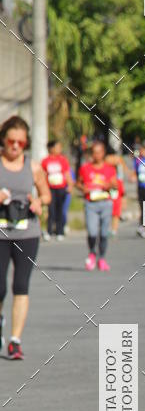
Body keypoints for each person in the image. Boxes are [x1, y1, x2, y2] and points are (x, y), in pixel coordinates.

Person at [0, 115, 50, 359]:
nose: (16, 146)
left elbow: (46, 194)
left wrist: (39, 202)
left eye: (21, 142)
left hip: (27, 233)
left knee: (21, 285)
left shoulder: (33, 166)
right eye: (12, 141)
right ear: (3, 139)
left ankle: (15, 341)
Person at [76, 140, 118, 272]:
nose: (97, 155)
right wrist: (83, 189)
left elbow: (115, 184)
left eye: (99, 152)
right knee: (92, 232)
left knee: (104, 233)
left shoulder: (109, 169)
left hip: (105, 203)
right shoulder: (85, 168)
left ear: (103, 153)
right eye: (94, 153)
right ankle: (92, 253)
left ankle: (102, 258)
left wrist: (108, 185)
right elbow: (78, 183)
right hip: (91, 204)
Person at [41, 139, 72, 240]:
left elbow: (67, 173)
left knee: (60, 209)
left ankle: (60, 231)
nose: (59, 149)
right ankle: (49, 231)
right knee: (51, 210)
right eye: (57, 147)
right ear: (51, 148)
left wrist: (70, 185)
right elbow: (43, 175)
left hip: (61, 188)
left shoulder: (63, 160)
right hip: (50, 189)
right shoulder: (45, 161)